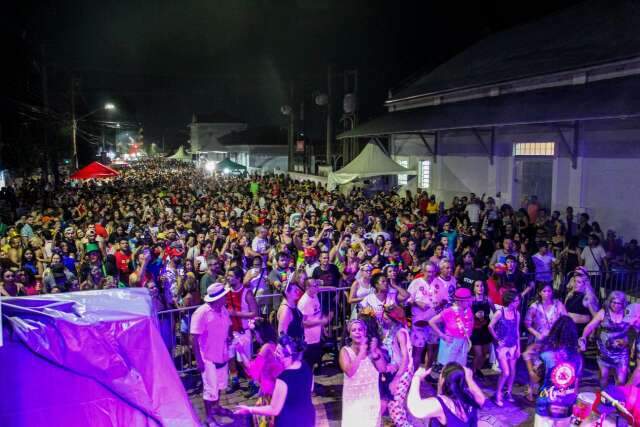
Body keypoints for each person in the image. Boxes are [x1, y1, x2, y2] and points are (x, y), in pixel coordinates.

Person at [235, 334, 315, 427]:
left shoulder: (284, 378)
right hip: (307, 418)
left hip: (290, 421)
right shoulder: (305, 366)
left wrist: (249, 409)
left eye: (278, 352)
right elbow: (311, 389)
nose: (275, 354)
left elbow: (274, 409)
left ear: (287, 356)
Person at [190, 283, 234, 425]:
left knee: (220, 386)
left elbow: (228, 326)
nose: (226, 298)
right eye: (224, 296)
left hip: (222, 355)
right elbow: (194, 338)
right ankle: (209, 417)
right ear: (217, 298)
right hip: (208, 358)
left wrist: (229, 337)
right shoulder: (201, 313)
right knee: (210, 390)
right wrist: (198, 360)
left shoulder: (223, 310)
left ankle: (216, 407)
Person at [534, 316, 583, 427]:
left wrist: (527, 361)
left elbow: (535, 378)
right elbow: (575, 388)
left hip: (545, 404)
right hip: (565, 405)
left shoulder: (546, 354)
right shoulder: (577, 358)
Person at [523, 282, 568, 402]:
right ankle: (530, 389)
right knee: (536, 366)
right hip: (538, 341)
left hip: (554, 342)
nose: (547, 294)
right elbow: (527, 323)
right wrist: (537, 333)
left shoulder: (558, 305)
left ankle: (546, 390)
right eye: (544, 291)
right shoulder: (535, 306)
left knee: (551, 366)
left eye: (549, 291)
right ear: (539, 293)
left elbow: (566, 320)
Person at [339, 319, 387, 427]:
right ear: (349, 334)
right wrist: (361, 354)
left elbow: (383, 369)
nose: (357, 332)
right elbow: (350, 372)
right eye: (354, 330)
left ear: (365, 332)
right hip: (353, 399)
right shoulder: (345, 351)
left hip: (371, 398)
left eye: (360, 329)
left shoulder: (373, 350)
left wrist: (374, 353)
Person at [579, 290, 631, 387]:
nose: (616, 305)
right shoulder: (603, 312)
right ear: (609, 301)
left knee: (621, 380)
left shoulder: (627, 313)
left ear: (623, 303)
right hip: (604, 351)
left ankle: (617, 399)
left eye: (619, 303)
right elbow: (590, 326)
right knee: (603, 377)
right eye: (613, 302)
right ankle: (603, 396)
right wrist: (584, 336)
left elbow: (635, 327)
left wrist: (627, 342)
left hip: (621, 352)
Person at [407, 362, 485, 426]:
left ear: (443, 379)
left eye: (440, 374)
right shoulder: (469, 396)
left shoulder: (442, 404)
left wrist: (416, 378)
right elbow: (482, 399)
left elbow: (416, 408)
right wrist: (469, 379)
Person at [488, 290, 521, 407]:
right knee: (505, 372)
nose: (517, 303)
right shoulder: (499, 313)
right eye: (515, 301)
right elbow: (490, 326)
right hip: (502, 347)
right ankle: (498, 394)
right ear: (509, 301)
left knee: (512, 371)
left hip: (513, 345)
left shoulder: (517, 314)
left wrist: (518, 348)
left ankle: (508, 392)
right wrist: (497, 339)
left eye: (518, 301)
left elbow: (517, 331)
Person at [382, 305, 414, 427]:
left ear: (394, 319)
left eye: (386, 317)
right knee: (394, 404)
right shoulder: (392, 329)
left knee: (395, 404)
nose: (384, 318)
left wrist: (396, 379)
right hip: (397, 369)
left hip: (403, 371)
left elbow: (405, 358)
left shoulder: (400, 332)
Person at [407, 261, 441, 370]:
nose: (430, 274)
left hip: (434, 323)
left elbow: (445, 299)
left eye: (432, 272)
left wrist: (440, 305)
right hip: (419, 322)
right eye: (428, 271)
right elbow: (407, 300)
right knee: (418, 349)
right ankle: (413, 375)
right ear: (423, 271)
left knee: (432, 350)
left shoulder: (438, 283)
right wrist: (417, 302)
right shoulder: (416, 283)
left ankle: (427, 374)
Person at [429, 287, 474, 367]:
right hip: (451, 343)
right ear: (460, 302)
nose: (470, 302)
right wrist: (442, 335)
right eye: (468, 300)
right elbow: (431, 322)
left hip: (463, 343)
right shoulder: (449, 311)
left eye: (470, 299)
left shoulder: (468, 310)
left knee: (459, 368)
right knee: (448, 369)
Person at [298, 278, 332, 382]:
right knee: (307, 365)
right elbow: (303, 323)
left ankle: (310, 385)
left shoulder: (314, 295)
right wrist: (321, 322)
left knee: (312, 364)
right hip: (308, 339)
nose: (317, 287)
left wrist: (323, 328)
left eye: (317, 285)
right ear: (307, 287)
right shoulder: (304, 302)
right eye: (315, 285)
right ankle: (307, 387)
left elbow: (317, 313)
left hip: (316, 337)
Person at [470, 280, 493, 380]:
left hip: (486, 330)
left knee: (484, 354)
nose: (480, 288)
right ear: (474, 288)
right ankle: (473, 372)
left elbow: (496, 313)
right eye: (477, 286)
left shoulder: (488, 300)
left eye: (482, 286)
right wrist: (473, 315)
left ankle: (478, 369)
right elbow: (465, 313)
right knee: (478, 354)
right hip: (475, 330)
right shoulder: (471, 300)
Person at [564, 271, 599, 337]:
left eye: (579, 282)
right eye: (574, 281)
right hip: (568, 329)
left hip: (581, 331)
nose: (575, 284)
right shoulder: (570, 295)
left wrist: (592, 333)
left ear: (585, 284)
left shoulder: (588, 297)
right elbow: (564, 312)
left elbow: (596, 318)